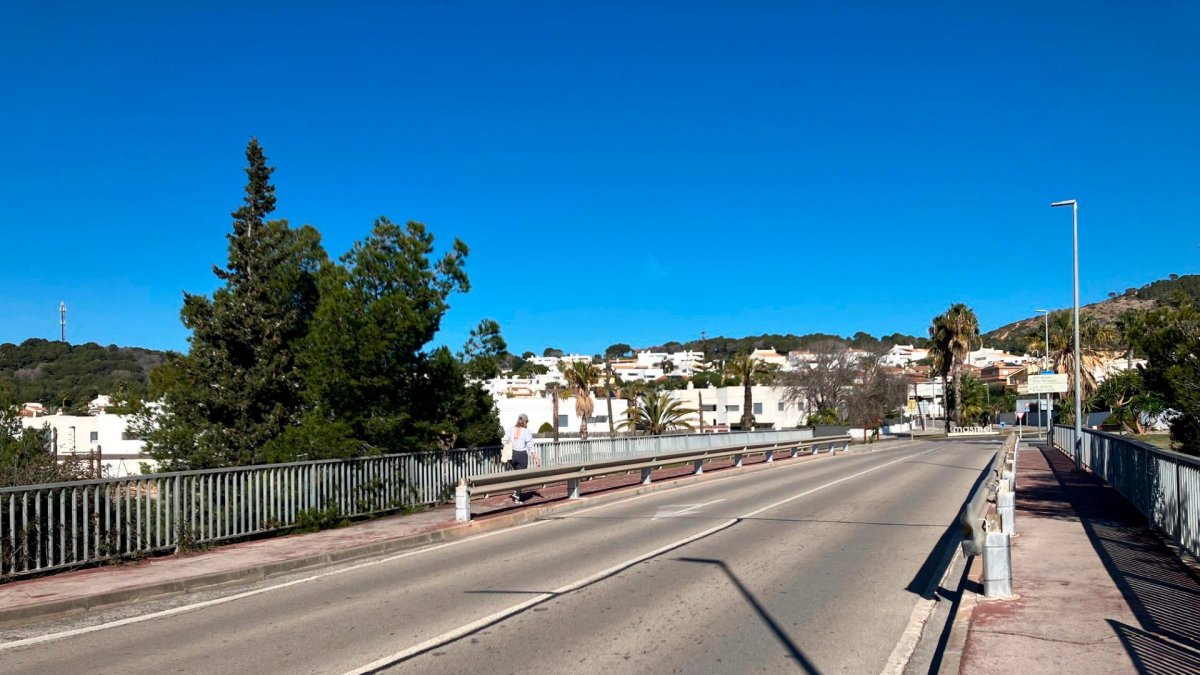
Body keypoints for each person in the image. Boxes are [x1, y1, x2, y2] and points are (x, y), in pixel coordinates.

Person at [508, 414, 540, 503]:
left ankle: (516, 493)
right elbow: (530, 447)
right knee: (521, 477)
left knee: (517, 475)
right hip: (521, 455)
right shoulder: (526, 432)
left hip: (512, 455)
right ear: (525, 422)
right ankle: (516, 496)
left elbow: (505, 440)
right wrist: (536, 458)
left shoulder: (510, 430)